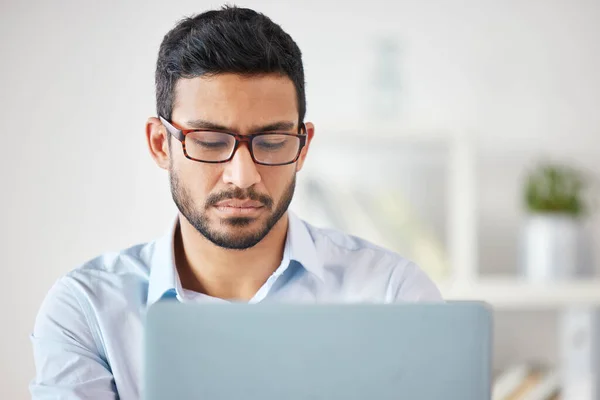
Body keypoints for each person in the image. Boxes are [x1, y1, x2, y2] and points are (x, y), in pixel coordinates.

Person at [30, 5, 442, 399]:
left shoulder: (392, 295)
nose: (243, 176)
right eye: (209, 142)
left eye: (273, 142)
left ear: (302, 147)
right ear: (160, 144)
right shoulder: (88, 310)